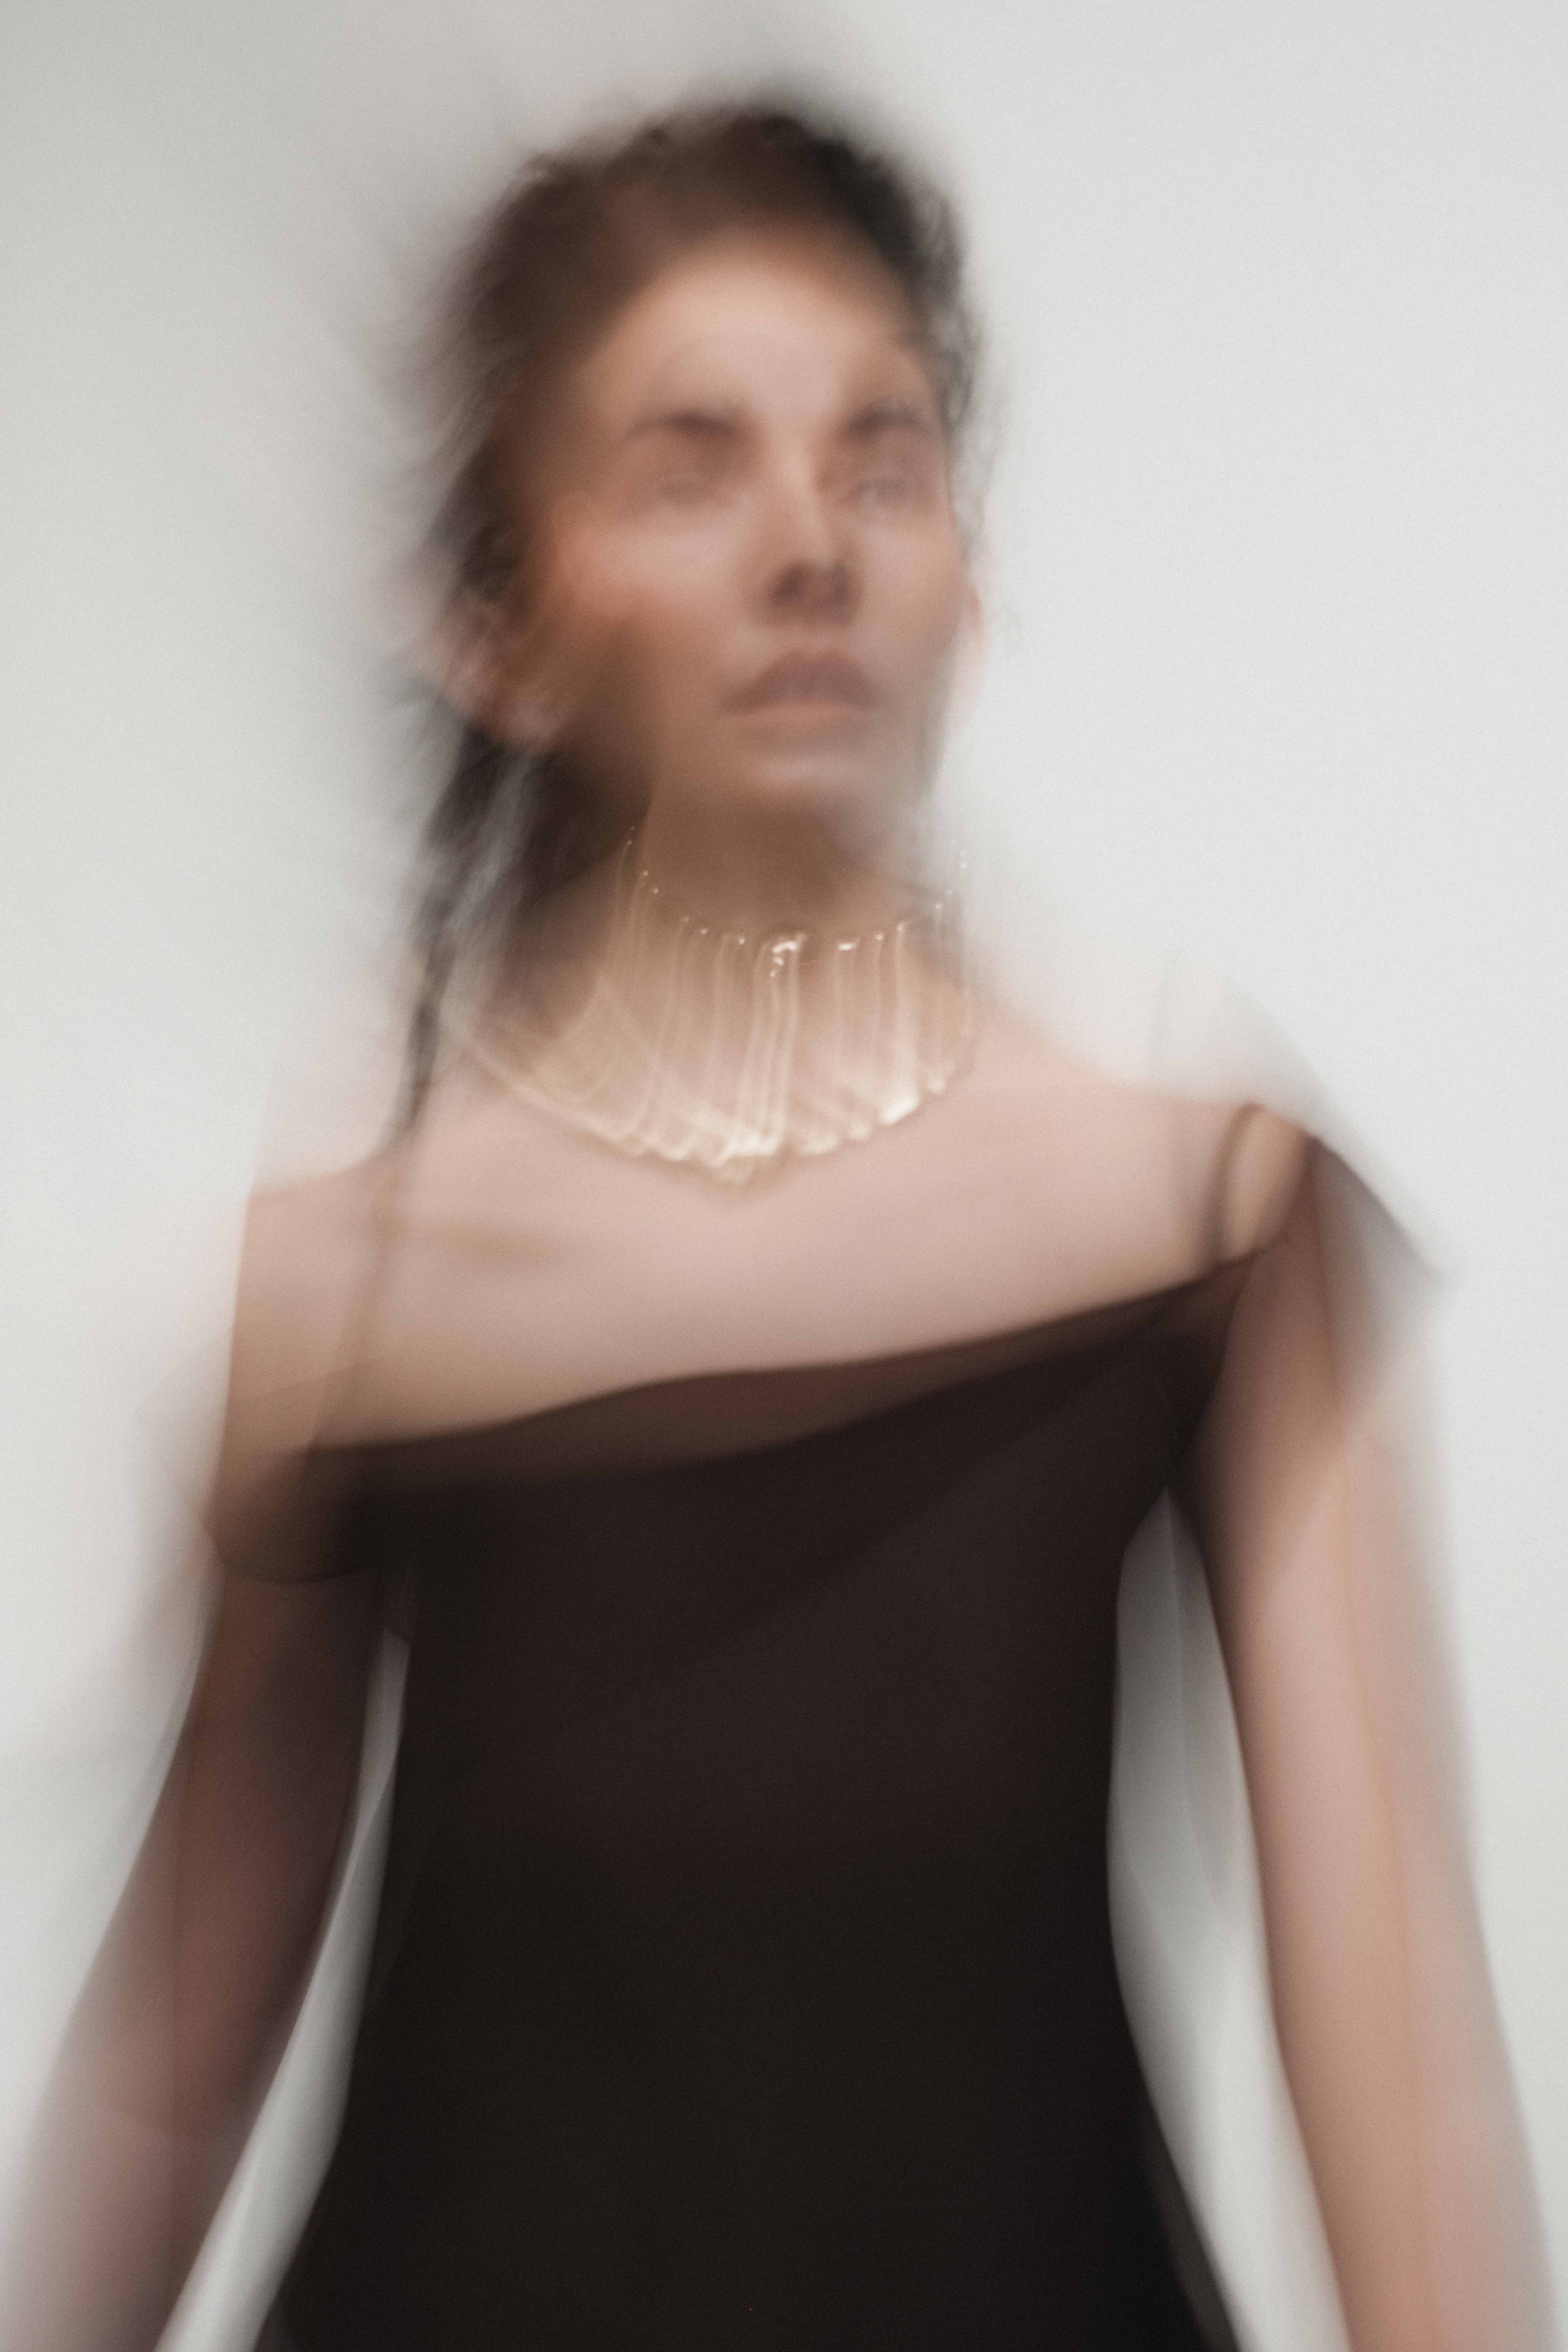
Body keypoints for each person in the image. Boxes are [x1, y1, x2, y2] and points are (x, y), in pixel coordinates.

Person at [7, 97, 1548, 2352]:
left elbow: (1399, 2059)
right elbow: (172, 2059)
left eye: (881, 458)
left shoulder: (1197, 1207)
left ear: (970, 576)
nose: (808, 543)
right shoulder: (347, 1293)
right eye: (689, 466)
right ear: (501, 625)